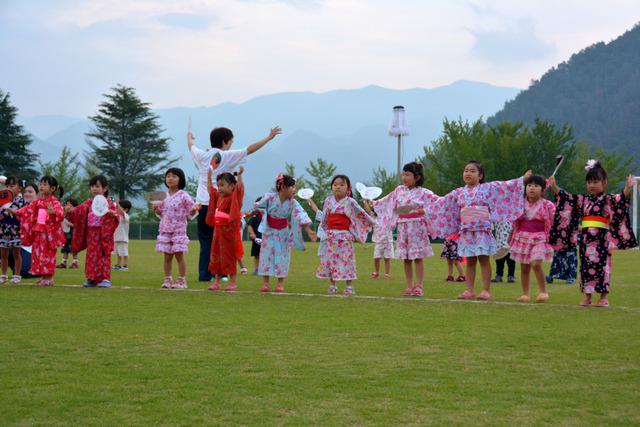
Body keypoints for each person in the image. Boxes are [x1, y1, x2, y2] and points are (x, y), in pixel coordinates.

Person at [188, 126, 282, 282]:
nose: (231, 144)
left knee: (206, 241)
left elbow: (191, 146)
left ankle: (205, 274)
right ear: (225, 142)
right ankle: (223, 273)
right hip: (221, 205)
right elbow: (250, 149)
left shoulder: (202, 155)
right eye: (231, 141)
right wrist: (269, 137)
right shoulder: (227, 155)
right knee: (223, 241)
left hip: (203, 205)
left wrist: (190, 137)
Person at [430, 160, 530, 301]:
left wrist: (522, 180)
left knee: (483, 260)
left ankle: (485, 290)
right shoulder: (459, 192)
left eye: (472, 171)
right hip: (466, 231)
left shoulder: (488, 188)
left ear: (480, 175)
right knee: (470, 261)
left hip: (482, 230)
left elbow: (505, 185)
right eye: (466, 170)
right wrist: (425, 209)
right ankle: (469, 290)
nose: (468, 173)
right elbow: (442, 202)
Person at [548, 160, 637, 307]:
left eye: (596, 181)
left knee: (603, 267)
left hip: (602, 239)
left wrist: (628, 187)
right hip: (585, 239)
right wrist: (554, 186)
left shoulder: (608, 200)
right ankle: (587, 296)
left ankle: (603, 297)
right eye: (589, 182)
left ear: (604, 183)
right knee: (585, 267)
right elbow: (567, 198)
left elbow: (621, 199)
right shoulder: (582, 200)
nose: (592, 185)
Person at [373, 162, 439, 297]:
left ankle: (419, 285)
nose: (404, 177)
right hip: (403, 226)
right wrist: (374, 203)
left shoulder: (424, 193)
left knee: (418, 257)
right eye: (403, 174)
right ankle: (409, 285)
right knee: (407, 258)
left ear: (417, 177)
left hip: (417, 227)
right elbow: (387, 201)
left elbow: (437, 204)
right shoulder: (399, 190)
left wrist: (421, 210)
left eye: (408, 174)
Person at [254, 174, 317, 293]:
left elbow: (300, 215)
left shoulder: (293, 203)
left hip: (283, 232)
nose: (295, 190)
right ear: (283, 187)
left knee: (283, 257)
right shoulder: (270, 198)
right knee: (266, 256)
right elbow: (258, 206)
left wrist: (309, 230)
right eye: (292, 187)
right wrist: (254, 211)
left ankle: (280, 283)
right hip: (269, 232)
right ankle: (265, 283)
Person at [316, 175, 374, 295]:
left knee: (347, 261)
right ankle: (332, 285)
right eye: (335, 184)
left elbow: (360, 215)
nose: (338, 187)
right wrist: (324, 230)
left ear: (348, 188)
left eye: (342, 185)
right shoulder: (328, 200)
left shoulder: (350, 202)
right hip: (331, 236)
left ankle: (349, 285)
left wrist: (373, 222)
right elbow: (325, 217)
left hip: (345, 236)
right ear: (331, 187)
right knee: (331, 261)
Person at [66, 176, 120, 288]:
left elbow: (116, 214)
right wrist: (71, 211)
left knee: (103, 255)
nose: (94, 189)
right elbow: (79, 211)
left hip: (103, 233)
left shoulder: (110, 201)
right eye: (92, 186)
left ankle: (105, 278)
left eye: (97, 186)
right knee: (92, 256)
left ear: (105, 188)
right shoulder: (89, 202)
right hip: (91, 234)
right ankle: (92, 278)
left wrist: (111, 214)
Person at [509, 175, 555, 303]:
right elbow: (515, 221)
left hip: (540, 237)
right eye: (529, 185)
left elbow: (554, 221)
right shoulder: (520, 203)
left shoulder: (548, 205)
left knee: (535, 263)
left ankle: (543, 292)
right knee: (524, 268)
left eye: (536, 186)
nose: (532, 188)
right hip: (522, 237)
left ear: (543, 189)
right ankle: (525, 294)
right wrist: (510, 236)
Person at [15, 176, 65, 286]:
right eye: (41, 184)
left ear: (52, 189)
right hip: (39, 232)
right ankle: (45, 277)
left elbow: (61, 215)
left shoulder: (55, 202)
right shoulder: (38, 202)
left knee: (48, 255)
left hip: (50, 234)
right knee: (39, 254)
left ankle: (49, 277)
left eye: (45, 184)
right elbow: (27, 209)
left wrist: (53, 213)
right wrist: (16, 212)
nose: (41, 186)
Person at [154, 168, 197, 289]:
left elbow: (191, 213)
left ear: (180, 179)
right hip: (165, 229)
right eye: (168, 176)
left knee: (179, 255)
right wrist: (156, 210)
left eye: (174, 176)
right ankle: (167, 279)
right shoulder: (162, 195)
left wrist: (194, 210)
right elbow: (161, 213)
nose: (170, 179)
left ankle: (182, 280)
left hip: (178, 229)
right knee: (167, 256)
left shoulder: (184, 195)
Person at [206, 167, 244, 291]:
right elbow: (210, 190)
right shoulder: (219, 197)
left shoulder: (234, 197)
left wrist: (239, 176)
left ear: (232, 186)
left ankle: (233, 282)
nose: (219, 188)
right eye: (219, 185)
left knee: (229, 256)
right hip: (218, 232)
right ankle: (216, 281)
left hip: (229, 233)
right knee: (216, 256)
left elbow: (240, 189)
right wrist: (208, 176)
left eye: (222, 185)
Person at [7, 183, 38, 279]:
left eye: (30, 192)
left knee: (25, 273)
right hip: (20, 243)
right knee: (4, 249)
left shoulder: (41, 207)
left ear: (37, 194)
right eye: (25, 192)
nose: (27, 194)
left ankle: (40, 271)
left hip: (34, 246)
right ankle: (16, 269)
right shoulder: (21, 206)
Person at [0, 177, 27, 284]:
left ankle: (16, 275)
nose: (9, 188)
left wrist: (14, 212)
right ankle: (4, 275)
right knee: (3, 254)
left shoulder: (22, 201)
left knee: (16, 253)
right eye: (7, 186)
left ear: (19, 188)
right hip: (3, 230)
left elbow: (24, 216)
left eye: (12, 186)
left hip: (16, 231)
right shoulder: (2, 200)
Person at [362, 199, 394, 280]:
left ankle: (387, 273)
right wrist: (365, 202)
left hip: (388, 241)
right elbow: (368, 210)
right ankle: (377, 272)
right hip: (378, 241)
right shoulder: (373, 216)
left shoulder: (388, 215)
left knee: (387, 259)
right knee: (376, 258)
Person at [56, 198, 79, 269]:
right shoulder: (65, 213)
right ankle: (63, 263)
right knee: (65, 249)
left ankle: (75, 263)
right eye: (66, 204)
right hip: (66, 234)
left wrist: (71, 225)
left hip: (73, 234)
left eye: (69, 204)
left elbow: (78, 224)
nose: (67, 205)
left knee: (73, 249)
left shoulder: (76, 213)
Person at [245, 197, 263, 275]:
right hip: (257, 239)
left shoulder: (267, 216)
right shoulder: (254, 216)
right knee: (256, 254)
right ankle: (256, 269)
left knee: (266, 254)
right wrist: (252, 234)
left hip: (266, 239)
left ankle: (265, 269)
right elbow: (249, 225)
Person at [113, 199, 131, 271]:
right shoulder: (117, 216)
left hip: (123, 238)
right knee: (118, 253)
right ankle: (118, 265)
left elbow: (122, 213)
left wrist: (117, 204)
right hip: (116, 237)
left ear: (126, 209)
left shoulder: (126, 216)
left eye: (120, 207)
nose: (117, 208)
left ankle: (125, 265)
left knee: (124, 252)